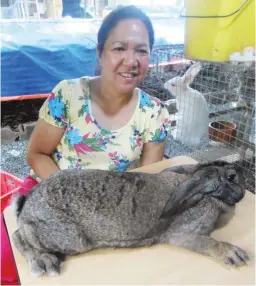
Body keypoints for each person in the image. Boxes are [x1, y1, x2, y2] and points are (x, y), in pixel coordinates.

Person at [1, 6, 171, 284]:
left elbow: (147, 184)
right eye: (119, 48)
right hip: (49, 193)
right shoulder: (68, 95)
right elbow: (37, 154)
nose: (131, 60)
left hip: (112, 208)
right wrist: (74, 202)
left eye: (141, 50)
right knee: (10, 262)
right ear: (100, 52)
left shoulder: (154, 113)